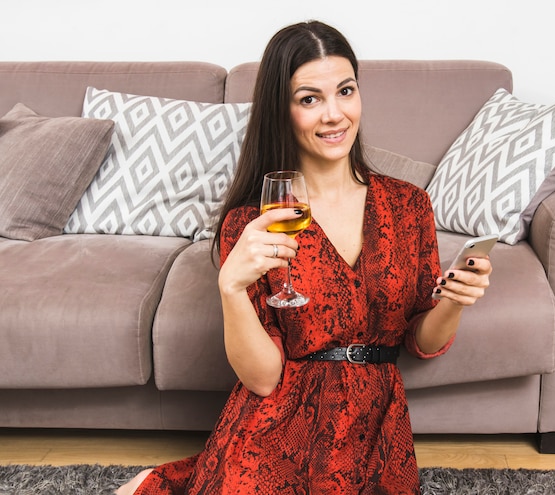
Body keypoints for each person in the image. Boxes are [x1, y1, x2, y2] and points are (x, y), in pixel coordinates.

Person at [117, 19, 492, 495]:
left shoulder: (408, 205)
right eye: (309, 99)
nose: (334, 115)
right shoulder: (254, 221)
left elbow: (420, 339)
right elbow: (262, 377)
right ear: (282, 110)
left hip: (375, 425)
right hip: (279, 422)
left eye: (346, 91)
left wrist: (456, 300)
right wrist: (231, 288)